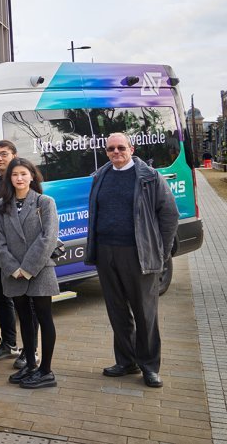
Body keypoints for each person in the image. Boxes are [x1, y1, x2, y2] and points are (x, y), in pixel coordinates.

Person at [86, 133, 178, 388]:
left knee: (145, 312)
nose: (116, 152)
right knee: (117, 311)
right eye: (111, 148)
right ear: (106, 152)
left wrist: (161, 252)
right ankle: (126, 361)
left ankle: (149, 366)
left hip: (138, 253)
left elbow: (169, 215)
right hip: (106, 251)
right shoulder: (101, 176)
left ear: (131, 148)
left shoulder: (149, 177)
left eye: (121, 147)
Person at [0, 158, 60, 389]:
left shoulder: (45, 202)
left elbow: (48, 237)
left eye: (23, 174)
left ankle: (46, 371)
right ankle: (30, 364)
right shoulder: (1, 205)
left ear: (32, 176)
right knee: (25, 318)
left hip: (40, 270)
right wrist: (13, 268)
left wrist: (28, 268)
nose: (19, 178)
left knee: (44, 317)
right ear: (9, 178)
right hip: (13, 273)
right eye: (14, 175)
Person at [0, 140, 31, 368]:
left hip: (19, 255)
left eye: (3, 154)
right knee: (2, 299)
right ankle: (9, 342)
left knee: (26, 303)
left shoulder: (20, 183)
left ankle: (29, 349)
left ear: (14, 155)